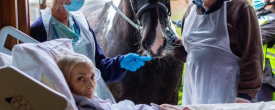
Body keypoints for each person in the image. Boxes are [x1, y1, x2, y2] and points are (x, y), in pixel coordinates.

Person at [30, 0, 152, 84]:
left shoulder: (81, 23)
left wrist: (120, 63)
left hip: (92, 96)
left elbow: (99, 67)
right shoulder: (40, 31)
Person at [171, 0, 263, 104]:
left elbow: (252, 54)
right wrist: (170, 44)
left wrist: (245, 96)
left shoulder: (239, 7)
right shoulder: (190, 10)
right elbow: (192, 53)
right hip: (194, 96)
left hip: (230, 96)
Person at [56, 53, 192, 110]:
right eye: (80, 79)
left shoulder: (93, 101)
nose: (91, 85)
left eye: (92, 77)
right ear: (65, 82)